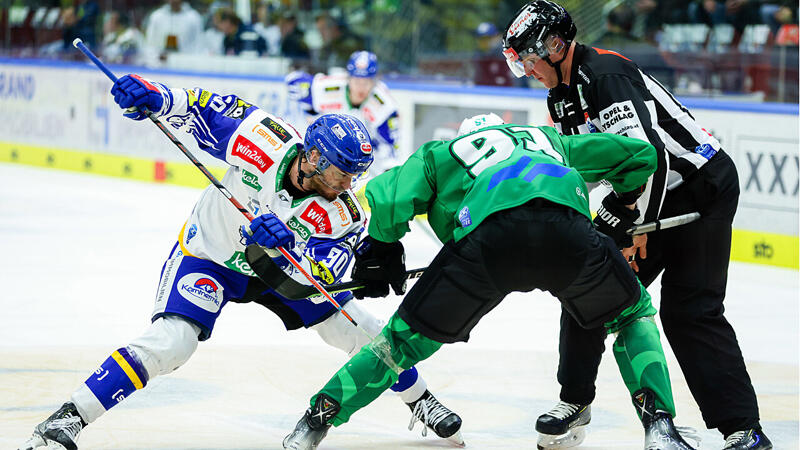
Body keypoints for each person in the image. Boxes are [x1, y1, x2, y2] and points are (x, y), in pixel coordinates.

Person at [18, 74, 462, 450]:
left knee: (362, 330)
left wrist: (286, 247)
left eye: (354, 175)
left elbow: (322, 272)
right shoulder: (261, 137)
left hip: (281, 273)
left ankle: (419, 397)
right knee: (173, 342)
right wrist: (154, 96)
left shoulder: (343, 209)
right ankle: (68, 418)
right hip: (211, 255)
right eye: (340, 173)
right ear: (312, 158)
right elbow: (196, 108)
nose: (348, 183)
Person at [282, 114, 698, 450]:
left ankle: (313, 424)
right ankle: (659, 428)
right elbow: (640, 155)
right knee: (631, 314)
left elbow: (390, 196)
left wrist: (383, 248)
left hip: (487, 245)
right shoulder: (550, 140)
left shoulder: (444, 152)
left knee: (398, 345)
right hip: (567, 233)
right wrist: (624, 207)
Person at [500, 2, 771, 449]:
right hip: (644, 190)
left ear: (554, 46)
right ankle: (576, 400)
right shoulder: (560, 96)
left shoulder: (606, 77)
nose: (527, 70)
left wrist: (634, 229)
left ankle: (744, 430)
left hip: (699, 186)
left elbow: (652, 160)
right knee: (585, 281)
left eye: (529, 59)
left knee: (690, 312)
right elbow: (587, 170)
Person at [285, 50, 400, 175]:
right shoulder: (329, 86)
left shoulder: (385, 105)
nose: (361, 87)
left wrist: (388, 174)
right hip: (329, 151)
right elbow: (294, 80)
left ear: (375, 80)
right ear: (348, 78)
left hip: (365, 162)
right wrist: (310, 108)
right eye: (356, 81)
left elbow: (390, 150)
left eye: (366, 82)